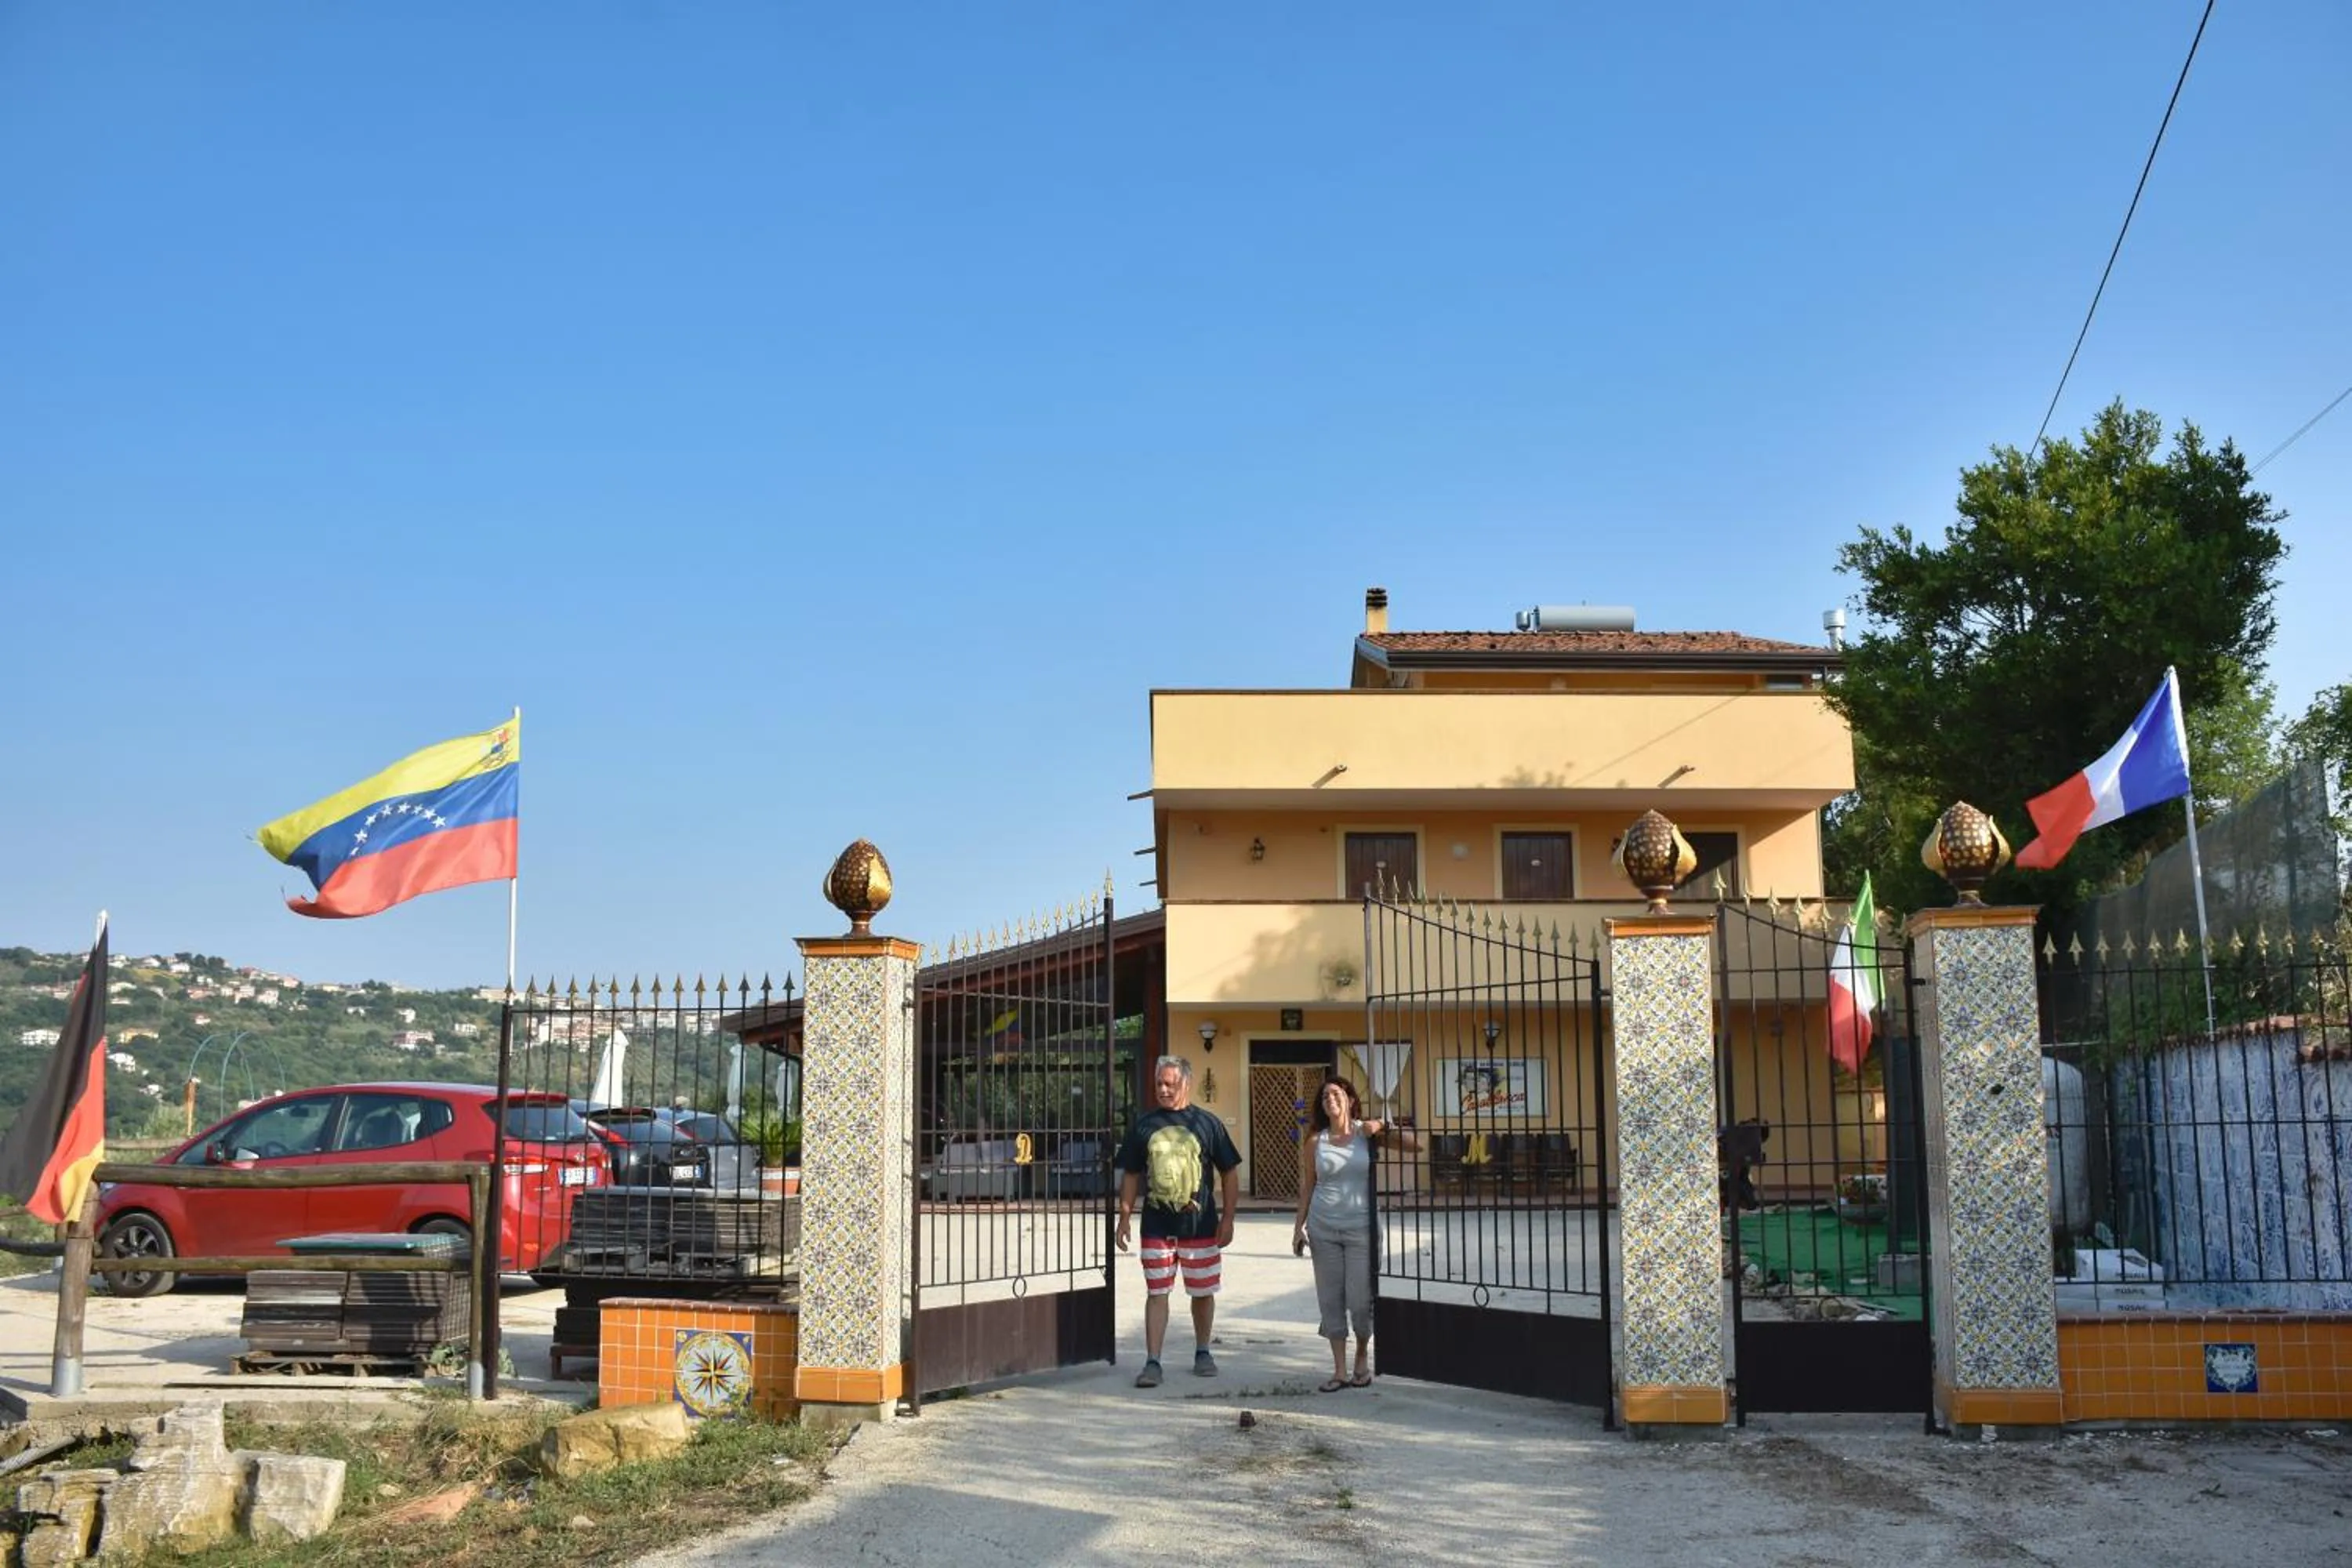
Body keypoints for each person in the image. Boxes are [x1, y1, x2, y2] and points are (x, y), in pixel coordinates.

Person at [1114, 1054, 1241, 1388]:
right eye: (1159, 1083)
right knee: (1157, 1292)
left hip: (1200, 1228)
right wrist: (1124, 1217)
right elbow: (1130, 1173)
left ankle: (1203, 1351)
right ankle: (1153, 1361)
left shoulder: (1208, 1124)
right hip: (1156, 1226)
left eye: (1170, 1083)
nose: (1163, 1089)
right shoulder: (1144, 1125)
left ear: (1186, 1083)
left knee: (1202, 1292)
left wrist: (1228, 1219)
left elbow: (1229, 1172)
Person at [1291, 1076, 1419, 1391]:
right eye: (1324, 1097)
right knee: (1331, 1300)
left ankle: (1362, 1354)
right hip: (1323, 1229)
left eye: (1335, 1093)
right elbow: (1308, 1186)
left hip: (1362, 1229)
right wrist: (1298, 1228)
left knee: (1361, 1302)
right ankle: (1339, 1370)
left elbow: (1417, 1146)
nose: (1330, 1100)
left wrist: (1382, 1127)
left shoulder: (1366, 1134)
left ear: (1349, 1099)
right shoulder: (1315, 1142)